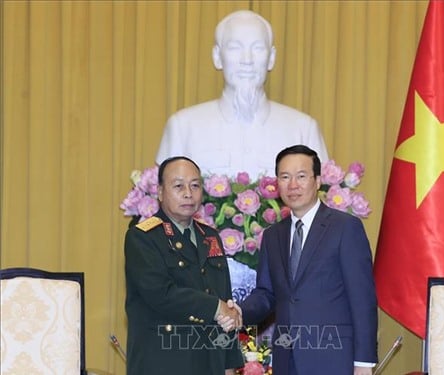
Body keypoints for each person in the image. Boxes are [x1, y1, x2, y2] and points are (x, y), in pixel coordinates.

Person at [222, 145, 378, 374]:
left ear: (317, 181)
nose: (293, 185)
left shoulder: (345, 228)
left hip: (334, 358)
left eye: (301, 176)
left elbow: (362, 299)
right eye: (285, 177)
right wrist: (240, 312)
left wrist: (363, 363)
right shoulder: (273, 235)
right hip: (287, 359)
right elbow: (267, 294)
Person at [155, 10, 329, 180]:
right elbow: (166, 197)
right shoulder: (182, 127)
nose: (247, 60)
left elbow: (321, 197)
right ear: (217, 56)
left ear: (271, 58)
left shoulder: (303, 129)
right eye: (235, 48)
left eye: (258, 48)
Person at [124, 156, 244, 375]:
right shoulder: (142, 238)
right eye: (178, 186)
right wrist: (215, 308)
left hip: (210, 363)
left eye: (195, 185)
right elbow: (161, 293)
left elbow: (225, 300)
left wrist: (229, 364)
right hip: (163, 363)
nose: (188, 193)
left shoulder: (210, 236)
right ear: (160, 192)